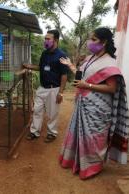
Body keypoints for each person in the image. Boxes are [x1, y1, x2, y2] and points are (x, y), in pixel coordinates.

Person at [59, 27, 129, 179]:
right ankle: (77, 162)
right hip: (83, 104)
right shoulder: (91, 58)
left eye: (94, 39)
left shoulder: (110, 63)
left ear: (103, 42)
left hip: (98, 109)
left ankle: (92, 167)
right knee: (80, 135)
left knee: (94, 138)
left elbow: (111, 88)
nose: (90, 42)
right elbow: (82, 76)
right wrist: (71, 66)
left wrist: (87, 86)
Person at [23, 29, 69, 143]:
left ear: (56, 40)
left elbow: (64, 75)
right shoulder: (44, 53)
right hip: (42, 87)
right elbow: (41, 67)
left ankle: (52, 133)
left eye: (48, 39)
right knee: (37, 109)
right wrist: (29, 66)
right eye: (45, 38)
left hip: (54, 89)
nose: (45, 41)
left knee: (52, 113)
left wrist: (61, 92)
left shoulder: (62, 56)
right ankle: (34, 132)